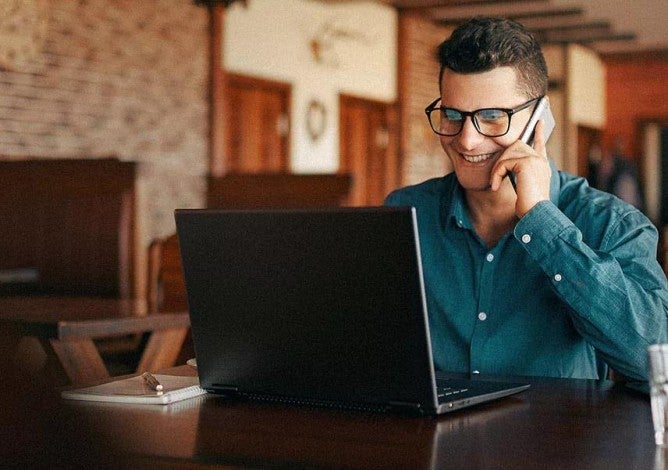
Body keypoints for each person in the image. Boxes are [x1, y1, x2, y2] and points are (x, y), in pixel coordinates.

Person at [384, 16, 668, 382]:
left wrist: (540, 219)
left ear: (539, 119)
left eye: (492, 117)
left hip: (558, 440)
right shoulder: (406, 213)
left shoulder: (613, 224)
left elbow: (655, 361)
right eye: (453, 115)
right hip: (428, 440)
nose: (467, 140)